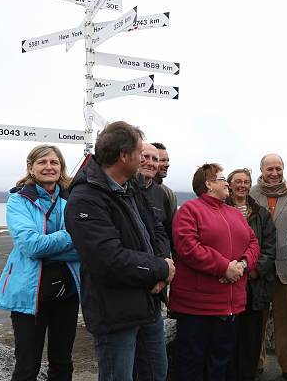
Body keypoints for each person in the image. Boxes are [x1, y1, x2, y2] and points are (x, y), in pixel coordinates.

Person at [65, 121, 175, 381]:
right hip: (115, 313)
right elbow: (108, 259)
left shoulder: (131, 188)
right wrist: (159, 269)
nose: (147, 160)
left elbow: (156, 231)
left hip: (147, 304)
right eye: (140, 153)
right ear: (123, 156)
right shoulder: (85, 199)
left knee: (155, 374)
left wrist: (161, 269)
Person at [0, 144, 80, 381]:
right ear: (31, 167)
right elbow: (31, 246)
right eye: (42, 162)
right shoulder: (18, 200)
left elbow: (85, 249)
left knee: (63, 362)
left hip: (67, 291)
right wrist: (73, 234)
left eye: (54, 162)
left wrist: (49, 247)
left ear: (61, 167)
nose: (49, 167)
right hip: (29, 293)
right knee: (26, 365)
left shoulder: (72, 198)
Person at [170, 163, 260, 381]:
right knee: (192, 363)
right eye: (222, 179)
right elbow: (188, 248)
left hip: (230, 306)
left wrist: (243, 265)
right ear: (208, 184)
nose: (227, 183)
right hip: (197, 308)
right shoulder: (189, 211)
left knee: (220, 363)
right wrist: (224, 267)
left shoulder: (235, 214)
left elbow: (254, 243)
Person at [250, 154, 287, 381]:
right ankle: (255, 362)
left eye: (278, 168)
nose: (274, 173)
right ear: (261, 171)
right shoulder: (252, 193)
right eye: (269, 169)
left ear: (284, 169)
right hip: (258, 268)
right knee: (256, 320)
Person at [225, 168, 277, 381]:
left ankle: (247, 375)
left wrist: (254, 271)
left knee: (252, 334)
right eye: (237, 181)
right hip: (226, 283)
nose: (242, 185)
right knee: (228, 335)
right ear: (229, 184)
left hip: (255, 284)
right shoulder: (220, 209)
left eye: (246, 182)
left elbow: (270, 247)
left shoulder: (261, 214)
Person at [139, 142, 173, 247]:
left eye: (155, 159)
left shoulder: (164, 194)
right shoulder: (125, 188)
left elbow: (167, 232)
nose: (151, 163)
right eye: (146, 157)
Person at [151, 142, 178, 215]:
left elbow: (171, 224)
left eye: (167, 160)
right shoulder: (132, 188)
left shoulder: (169, 194)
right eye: (162, 160)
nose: (167, 164)